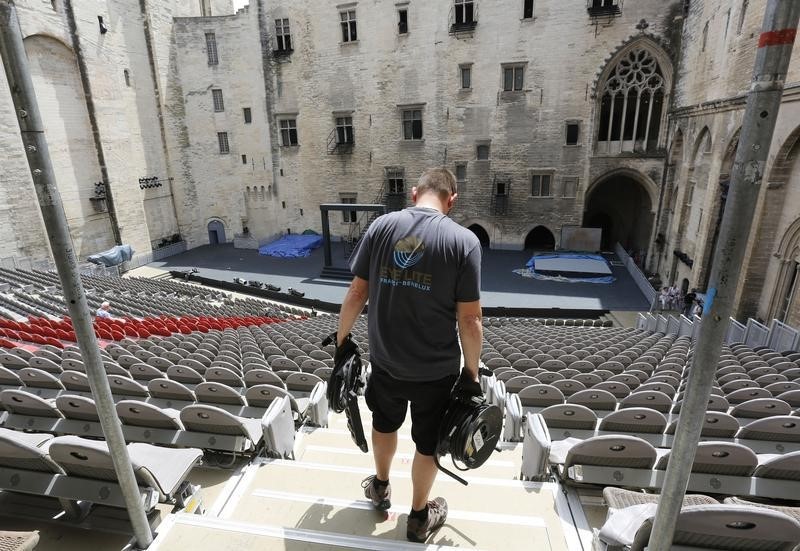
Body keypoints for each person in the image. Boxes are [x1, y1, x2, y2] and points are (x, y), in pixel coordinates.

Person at [334, 167, 483, 543]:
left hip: (385, 362)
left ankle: (380, 487)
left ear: (415, 193)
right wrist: (472, 374)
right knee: (427, 443)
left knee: (384, 424)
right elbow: (470, 319)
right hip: (436, 373)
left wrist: (341, 341)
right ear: (452, 200)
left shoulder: (381, 227)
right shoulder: (464, 242)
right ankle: (418, 517)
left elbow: (355, 294)